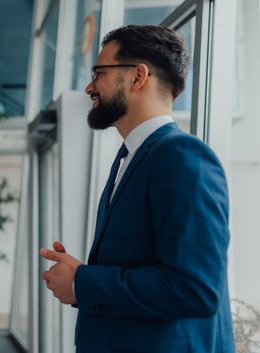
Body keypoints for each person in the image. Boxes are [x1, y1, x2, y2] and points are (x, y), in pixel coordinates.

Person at [40, 25, 234, 353]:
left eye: (99, 72)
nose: (89, 86)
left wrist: (81, 282)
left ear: (138, 76)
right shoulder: (131, 157)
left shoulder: (182, 157)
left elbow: (196, 289)